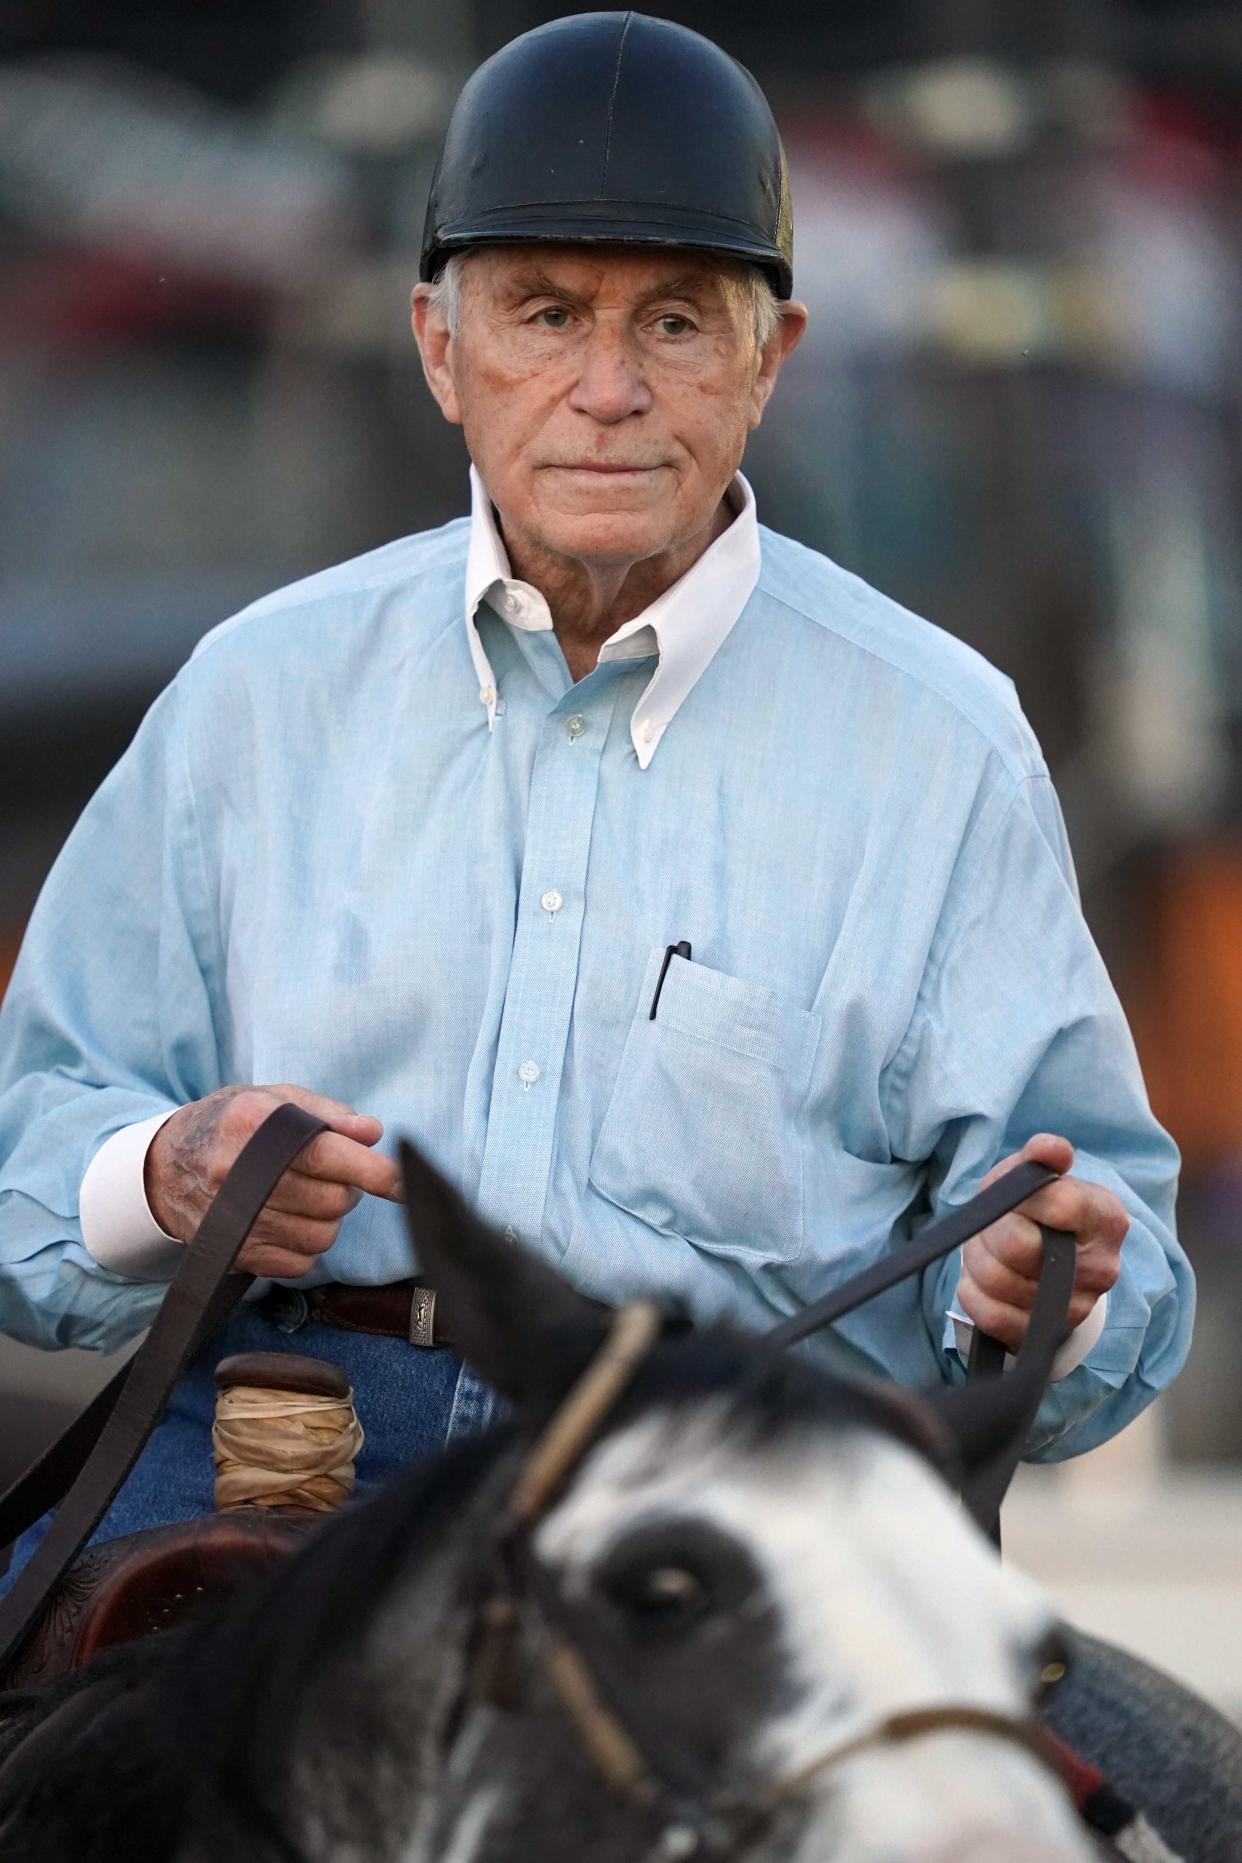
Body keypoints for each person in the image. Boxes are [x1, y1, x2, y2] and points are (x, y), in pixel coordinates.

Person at [0, 13, 1191, 1558]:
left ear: (773, 357)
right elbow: (36, 1137)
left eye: (679, 323)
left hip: (742, 1472)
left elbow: (1103, 1233)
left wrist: (1049, 1285)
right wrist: (163, 1178)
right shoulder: (258, 693)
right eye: (545, 316)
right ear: (439, 347)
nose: (608, 388)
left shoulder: (941, 745)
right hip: (286, 1448)